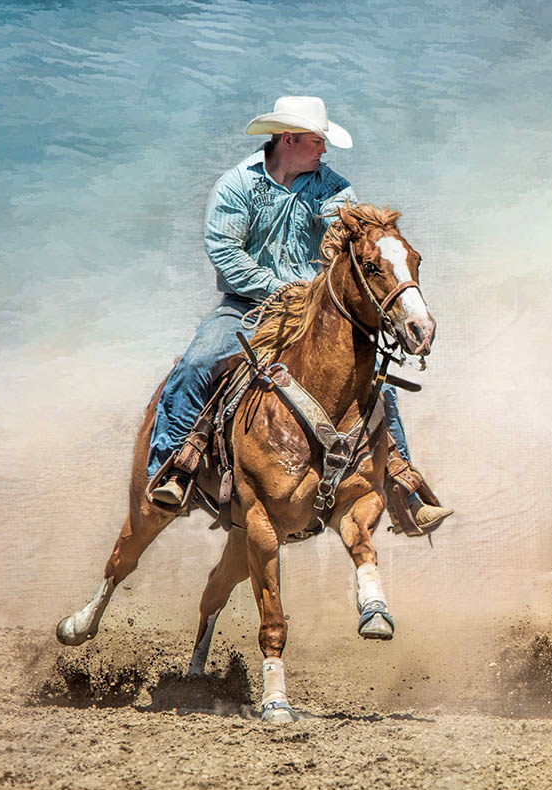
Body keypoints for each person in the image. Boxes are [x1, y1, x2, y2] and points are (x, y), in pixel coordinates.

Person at [146, 96, 450, 533]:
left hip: (315, 310)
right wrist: (278, 287)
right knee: (200, 360)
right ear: (287, 140)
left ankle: (401, 481)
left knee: (373, 382)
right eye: (317, 141)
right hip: (247, 306)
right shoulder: (236, 187)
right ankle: (173, 465)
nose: (323, 151)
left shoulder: (335, 192)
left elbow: (351, 247)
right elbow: (226, 253)